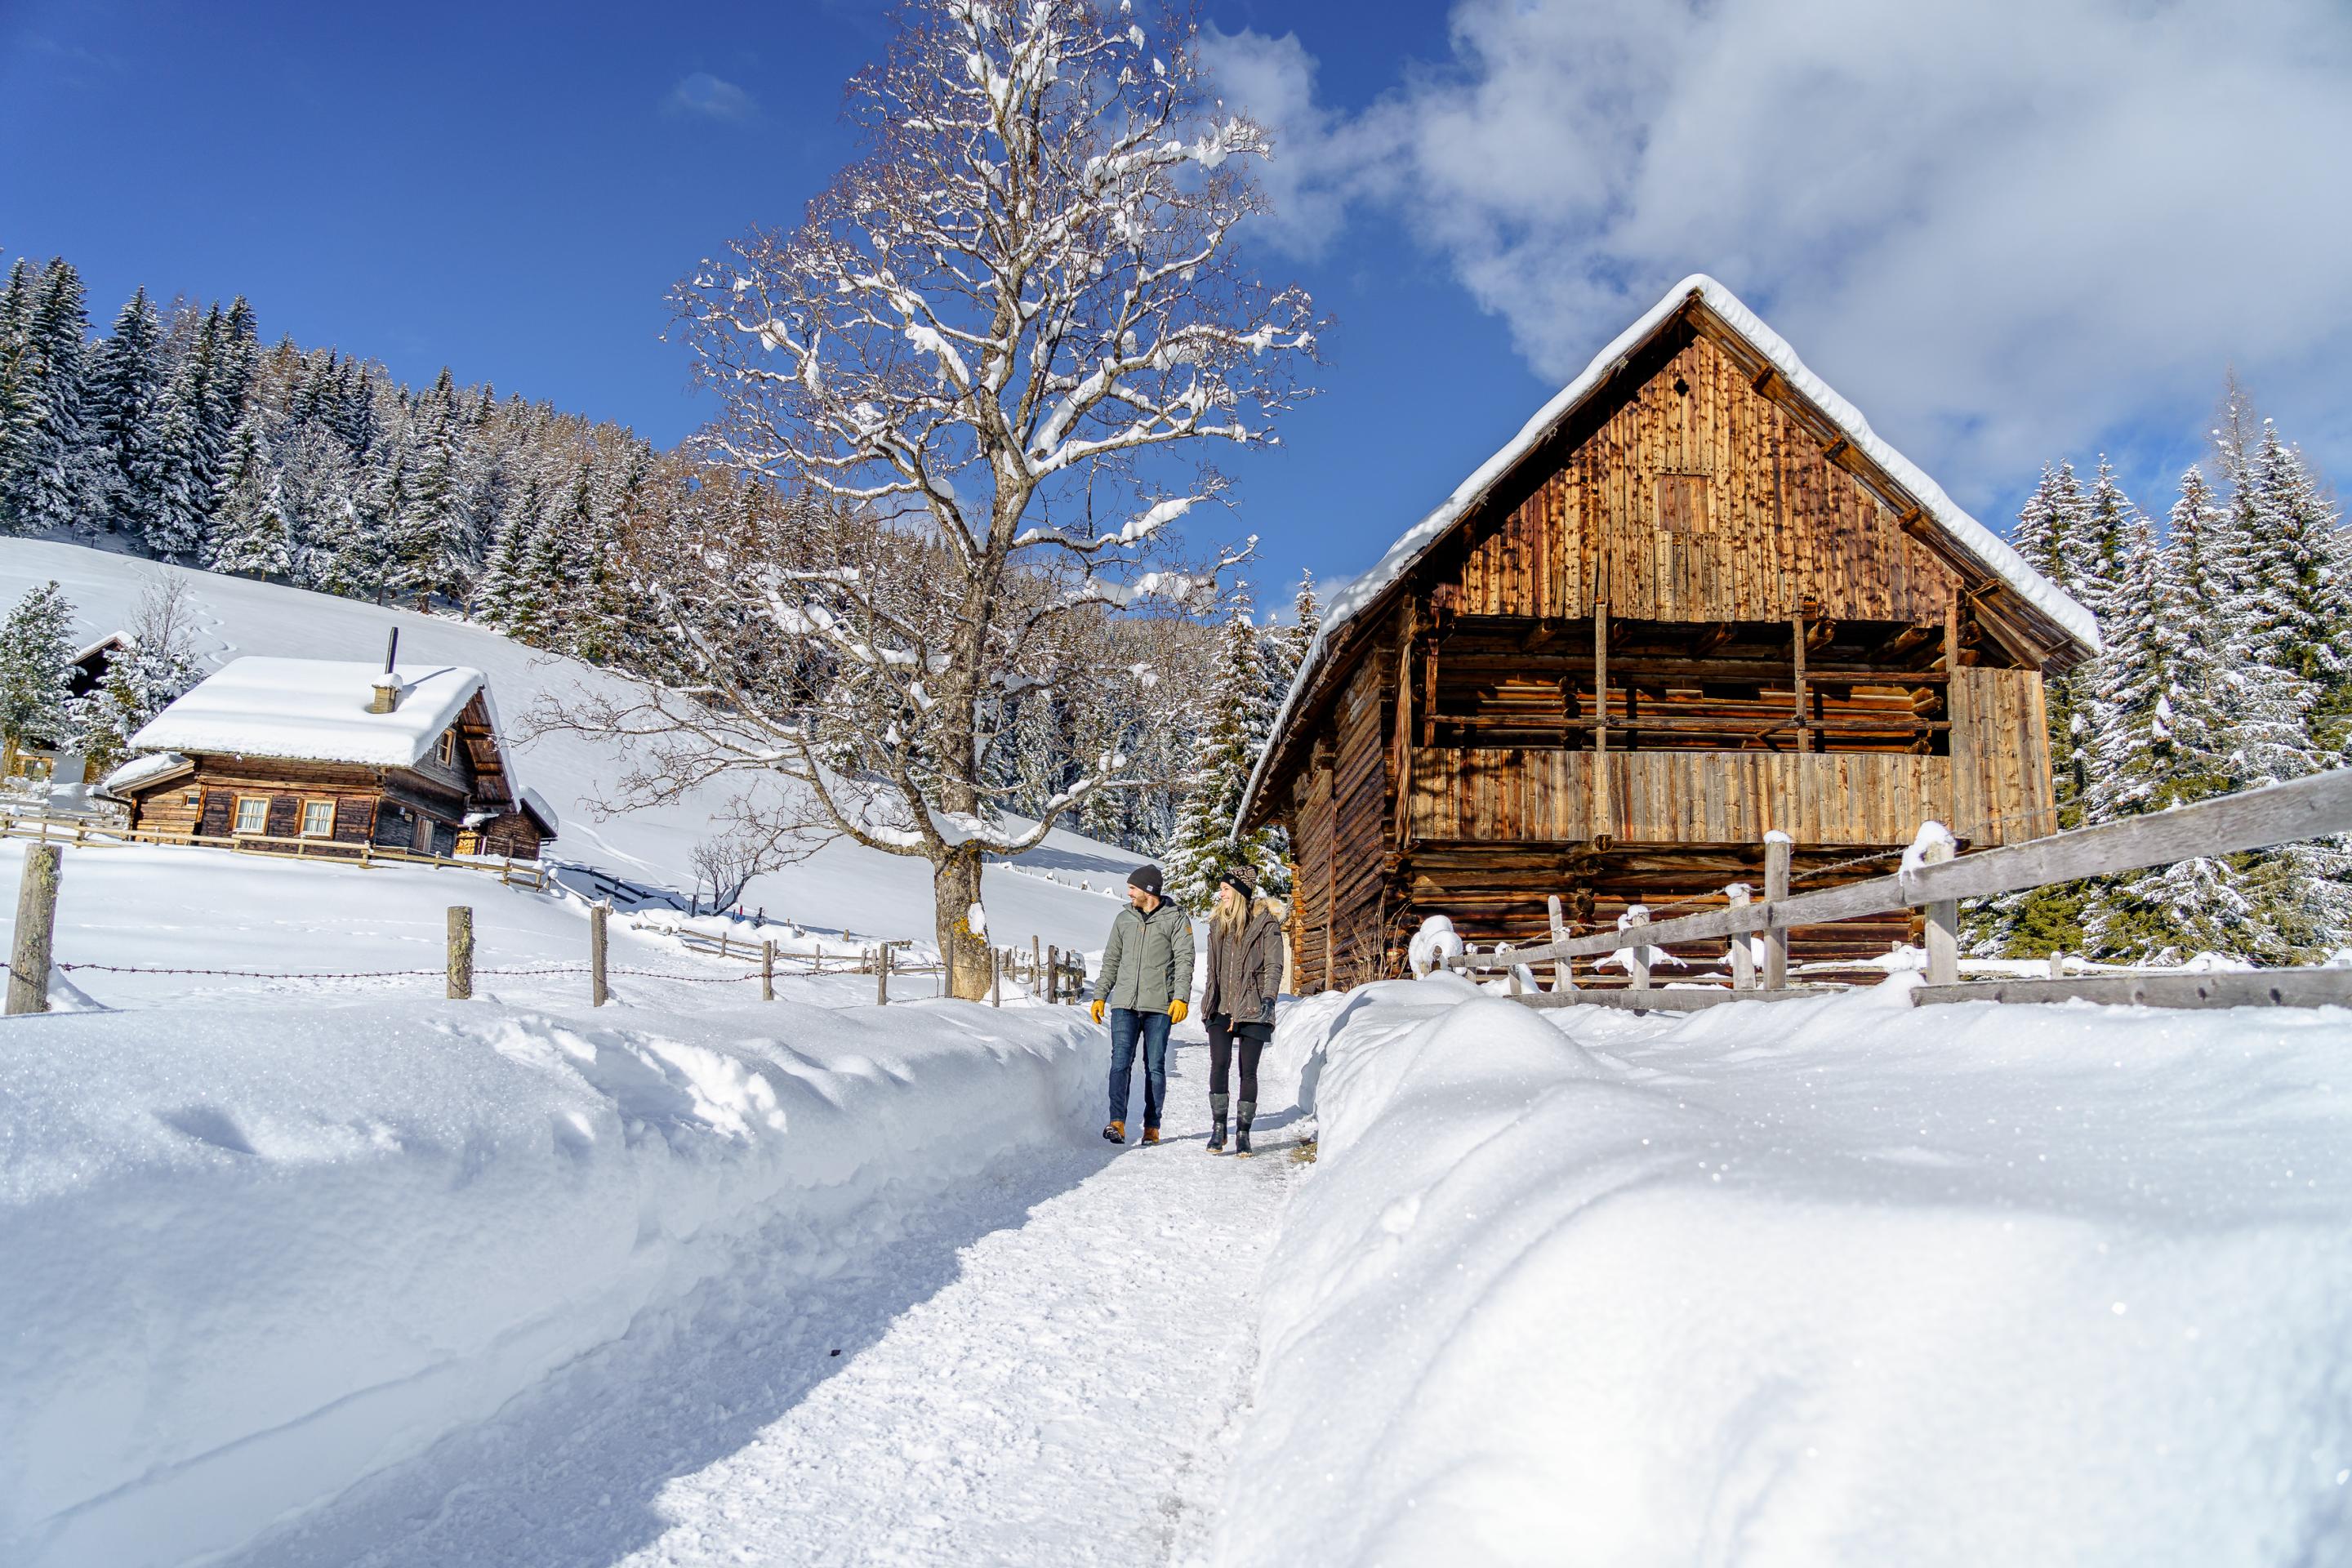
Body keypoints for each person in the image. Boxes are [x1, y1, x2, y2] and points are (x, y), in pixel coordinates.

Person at [1089, 863, 1193, 1146]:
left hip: (1159, 1006)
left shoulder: (1175, 919)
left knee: (1155, 1066)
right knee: (1120, 1062)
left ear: (1149, 891)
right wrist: (1100, 995)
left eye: (1133, 888)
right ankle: (1117, 1122)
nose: (1129, 893)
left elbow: (1185, 961)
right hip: (1125, 1003)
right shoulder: (1124, 919)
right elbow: (1111, 960)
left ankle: (1152, 1126)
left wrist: (1181, 997)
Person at [1199, 869, 1284, 1156]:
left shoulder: (1266, 924)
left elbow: (1274, 965)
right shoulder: (1218, 924)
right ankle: (1219, 1128)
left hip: (1253, 1004)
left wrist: (1269, 997)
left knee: (1248, 1071)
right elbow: (1213, 969)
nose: (1221, 894)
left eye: (1225, 889)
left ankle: (1244, 1133)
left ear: (1238, 892)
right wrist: (1210, 997)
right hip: (1220, 1005)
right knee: (1219, 1063)